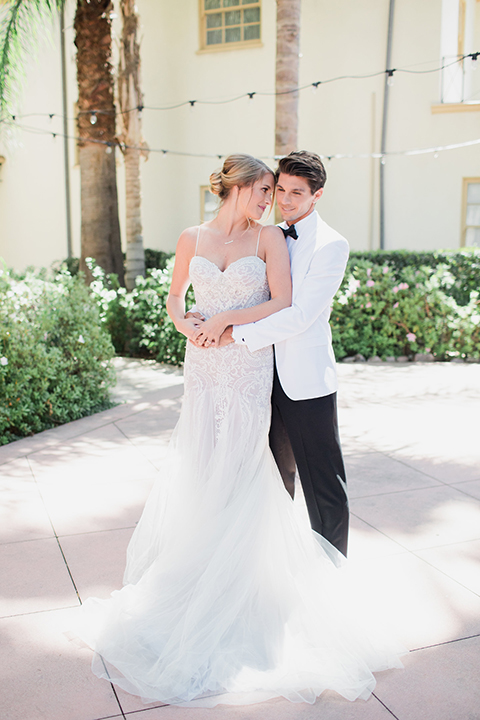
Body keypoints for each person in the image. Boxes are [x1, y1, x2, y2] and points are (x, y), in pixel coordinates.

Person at [75, 154, 403, 708]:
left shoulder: (290, 240)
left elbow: (292, 308)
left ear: (313, 196)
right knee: (220, 469)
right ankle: (215, 581)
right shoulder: (192, 236)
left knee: (299, 481)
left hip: (264, 367)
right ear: (238, 186)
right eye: (270, 190)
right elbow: (176, 298)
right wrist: (188, 325)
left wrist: (224, 325)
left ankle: (320, 592)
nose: (276, 200)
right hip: (206, 365)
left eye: (287, 192)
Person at [193, 151, 350, 557]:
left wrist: (233, 334)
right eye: (280, 190)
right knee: (270, 479)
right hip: (257, 375)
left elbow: (299, 315)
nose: (285, 199)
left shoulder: (332, 245)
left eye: (297, 193)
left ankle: (330, 572)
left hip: (303, 378)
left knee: (323, 483)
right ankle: (270, 568)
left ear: (317, 195)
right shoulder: (268, 235)